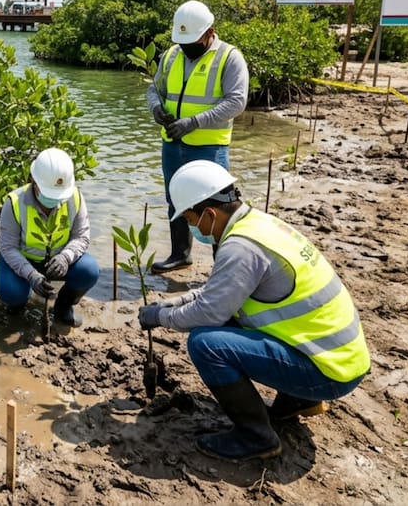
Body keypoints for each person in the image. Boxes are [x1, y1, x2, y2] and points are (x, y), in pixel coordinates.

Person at [138, 161, 370, 461]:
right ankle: (298, 400)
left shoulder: (241, 247)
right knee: (232, 319)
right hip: (342, 359)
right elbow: (220, 291)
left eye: (191, 220)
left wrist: (159, 317)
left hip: (329, 373)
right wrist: (174, 302)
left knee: (205, 344)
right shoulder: (258, 225)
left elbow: (208, 314)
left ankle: (257, 437)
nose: (192, 228)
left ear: (209, 213)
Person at [147, 0, 249, 273]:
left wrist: (194, 122)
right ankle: (180, 255)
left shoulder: (229, 57)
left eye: (191, 41)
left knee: (218, 206)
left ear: (209, 32)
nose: (186, 47)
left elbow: (237, 102)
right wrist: (157, 109)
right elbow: (154, 90)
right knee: (175, 199)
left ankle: (222, 267)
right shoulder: (171, 56)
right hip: (172, 143)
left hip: (209, 147)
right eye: (182, 42)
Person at [0, 147, 99, 328]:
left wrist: (65, 257)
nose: (54, 200)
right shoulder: (14, 202)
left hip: (59, 261)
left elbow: (81, 236)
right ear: (33, 181)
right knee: (11, 292)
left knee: (89, 271)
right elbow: (8, 247)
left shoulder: (74, 197)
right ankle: (17, 307)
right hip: (24, 260)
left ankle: (63, 307)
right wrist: (31, 275)